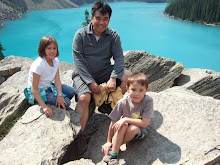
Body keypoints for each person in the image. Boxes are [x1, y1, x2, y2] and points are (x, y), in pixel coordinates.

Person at [72, 1, 132, 134]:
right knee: (84, 98)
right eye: (98, 18)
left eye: (105, 19)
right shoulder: (80, 35)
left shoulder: (113, 36)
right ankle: (79, 136)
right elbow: (79, 62)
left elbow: (119, 58)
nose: (101, 22)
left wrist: (113, 78)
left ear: (109, 20)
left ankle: (106, 105)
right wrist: (90, 82)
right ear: (92, 18)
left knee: (127, 76)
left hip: (104, 71)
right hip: (83, 75)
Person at [101, 73, 154, 165]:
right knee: (122, 126)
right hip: (123, 127)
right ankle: (113, 156)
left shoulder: (148, 101)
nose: (137, 94)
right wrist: (108, 141)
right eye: (133, 89)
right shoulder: (123, 102)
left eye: (141, 90)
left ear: (146, 90)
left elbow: (144, 124)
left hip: (140, 128)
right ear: (127, 89)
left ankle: (113, 149)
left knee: (132, 128)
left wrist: (126, 119)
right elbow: (113, 122)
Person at [24, 36, 75, 117]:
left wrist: (60, 95)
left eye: (54, 48)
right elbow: (34, 89)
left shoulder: (55, 61)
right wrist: (44, 106)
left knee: (72, 91)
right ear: (42, 49)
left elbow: (57, 80)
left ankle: (57, 98)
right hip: (39, 91)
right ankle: (41, 101)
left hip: (49, 86)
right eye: (49, 48)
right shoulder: (38, 65)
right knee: (67, 102)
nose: (52, 51)